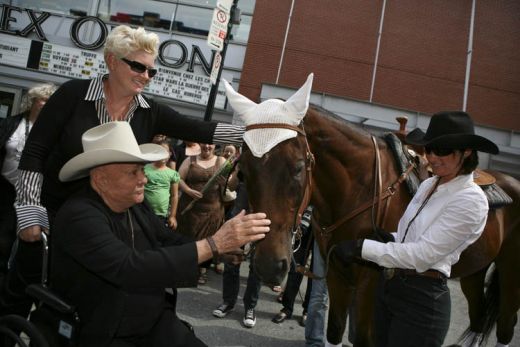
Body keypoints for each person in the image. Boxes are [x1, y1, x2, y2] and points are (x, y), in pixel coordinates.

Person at [6, 25, 243, 320]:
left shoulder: (149, 111)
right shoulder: (72, 95)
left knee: (88, 300)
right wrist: (30, 211)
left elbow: (200, 128)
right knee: (22, 289)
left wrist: (258, 132)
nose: (145, 76)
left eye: (151, 71)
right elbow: (35, 152)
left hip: (105, 221)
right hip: (52, 214)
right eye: (138, 67)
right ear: (111, 61)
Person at [51, 121, 270, 347]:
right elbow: (129, 267)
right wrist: (212, 245)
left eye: (142, 170)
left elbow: (167, 239)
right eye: (133, 172)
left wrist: (218, 252)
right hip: (103, 329)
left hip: (151, 319)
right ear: (100, 178)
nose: (143, 179)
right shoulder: (79, 216)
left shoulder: (134, 206)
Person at [333, 111, 499, 347]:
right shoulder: (430, 183)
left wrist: (364, 248)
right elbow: (410, 236)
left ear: (467, 151)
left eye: (442, 150)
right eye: (429, 149)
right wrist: (388, 238)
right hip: (390, 288)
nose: (432, 157)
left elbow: (422, 255)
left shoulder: (470, 200)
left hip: (421, 302)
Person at [0, 83, 57, 276]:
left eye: (50, 102)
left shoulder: (55, 132)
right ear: (32, 101)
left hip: (33, 194)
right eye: (43, 99)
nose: (46, 104)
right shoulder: (9, 124)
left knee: (24, 241)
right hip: (5, 190)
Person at [212, 174, 263, 329]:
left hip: (261, 219)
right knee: (231, 263)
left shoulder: (272, 162)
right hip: (238, 219)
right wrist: (239, 167)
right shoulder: (246, 161)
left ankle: (250, 307)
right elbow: (232, 186)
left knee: (256, 268)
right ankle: (228, 302)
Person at [177, 143, 228, 284]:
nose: (207, 146)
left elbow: (230, 185)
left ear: (214, 146)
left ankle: (202, 270)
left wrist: (225, 183)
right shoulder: (190, 160)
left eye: (210, 144)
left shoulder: (221, 161)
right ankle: (187, 266)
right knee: (189, 238)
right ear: (199, 144)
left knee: (208, 240)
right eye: (204, 143)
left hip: (212, 210)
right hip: (190, 209)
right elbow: (178, 178)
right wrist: (187, 190)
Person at [272, 205, 313, 325]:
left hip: (323, 228)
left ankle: (307, 311)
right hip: (306, 221)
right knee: (296, 269)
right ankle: (287, 308)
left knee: (315, 273)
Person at [144, 139, 180, 229]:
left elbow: (174, 196)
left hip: (162, 215)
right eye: (160, 151)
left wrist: (172, 216)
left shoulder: (172, 174)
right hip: (144, 211)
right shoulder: (145, 169)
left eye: (166, 152)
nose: (163, 154)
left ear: (170, 154)